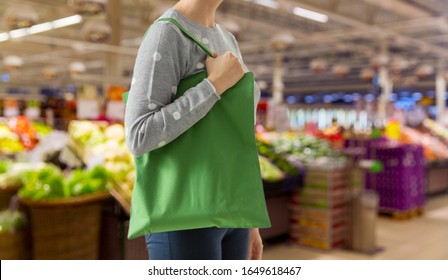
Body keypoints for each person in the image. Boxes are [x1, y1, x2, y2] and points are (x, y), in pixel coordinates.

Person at [124, 0, 264, 260]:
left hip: (233, 210)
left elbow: (238, 131)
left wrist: (250, 219)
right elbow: (139, 135)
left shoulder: (228, 39)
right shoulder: (167, 33)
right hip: (183, 216)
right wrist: (213, 86)